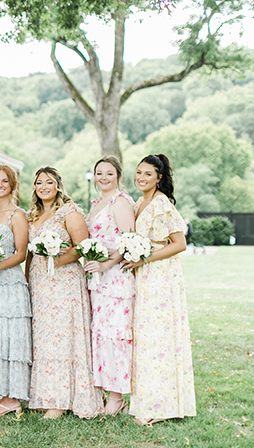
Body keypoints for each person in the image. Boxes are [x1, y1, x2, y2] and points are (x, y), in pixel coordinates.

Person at [26, 167, 103, 419]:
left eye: (49, 182)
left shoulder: (69, 212)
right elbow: (30, 254)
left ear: (58, 185)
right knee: (45, 339)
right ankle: (47, 395)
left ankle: (62, 400)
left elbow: (82, 247)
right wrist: (28, 278)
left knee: (63, 337)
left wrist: (57, 261)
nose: (43, 187)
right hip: (40, 282)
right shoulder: (34, 215)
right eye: (39, 183)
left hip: (64, 281)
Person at [125, 154, 195, 426]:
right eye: (139, 172)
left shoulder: (161, 204)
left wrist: (145, 258)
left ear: (159, 178)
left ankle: (160, 406)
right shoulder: (138, 203)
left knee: (158, 340)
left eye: (148, 174)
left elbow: (179, 244)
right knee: (145, 339)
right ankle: (145, 398)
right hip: (142, 276)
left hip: (160, 277)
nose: (141, 178)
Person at [83, 156, 135, 415]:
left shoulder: (121, 202)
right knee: (100, 335)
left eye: (109, 174)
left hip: (115, 278)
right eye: (99, 173)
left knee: (115, 336)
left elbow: (129, 242)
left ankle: (117, 396)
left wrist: (106, 264)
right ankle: (105, 391)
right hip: (97, 281)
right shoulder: (96, 204)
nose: (103, 178)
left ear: (118, 177)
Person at [0, 165, 31, 417]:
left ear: (12, 184)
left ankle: (14, 397)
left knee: (11, 339)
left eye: (5, 181)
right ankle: (3, 393)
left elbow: (21, 253)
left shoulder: (17, 214)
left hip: (10, 282)